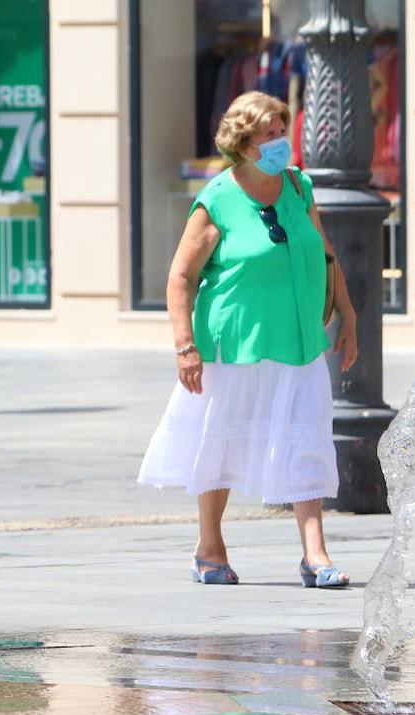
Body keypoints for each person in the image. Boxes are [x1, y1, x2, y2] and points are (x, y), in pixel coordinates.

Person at [138, 91, 360, 589]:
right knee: (221, 443)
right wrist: (184, 345)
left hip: (300, 340)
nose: (281, 142)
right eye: (270, 134)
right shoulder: (216, 199)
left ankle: (315, 554)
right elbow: (180, 277)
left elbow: (324, 253)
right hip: (230, 344)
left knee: (307, 437)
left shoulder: (298, 187)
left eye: (283, 131)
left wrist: (347, 313)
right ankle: (209, 546)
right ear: (243, 143)